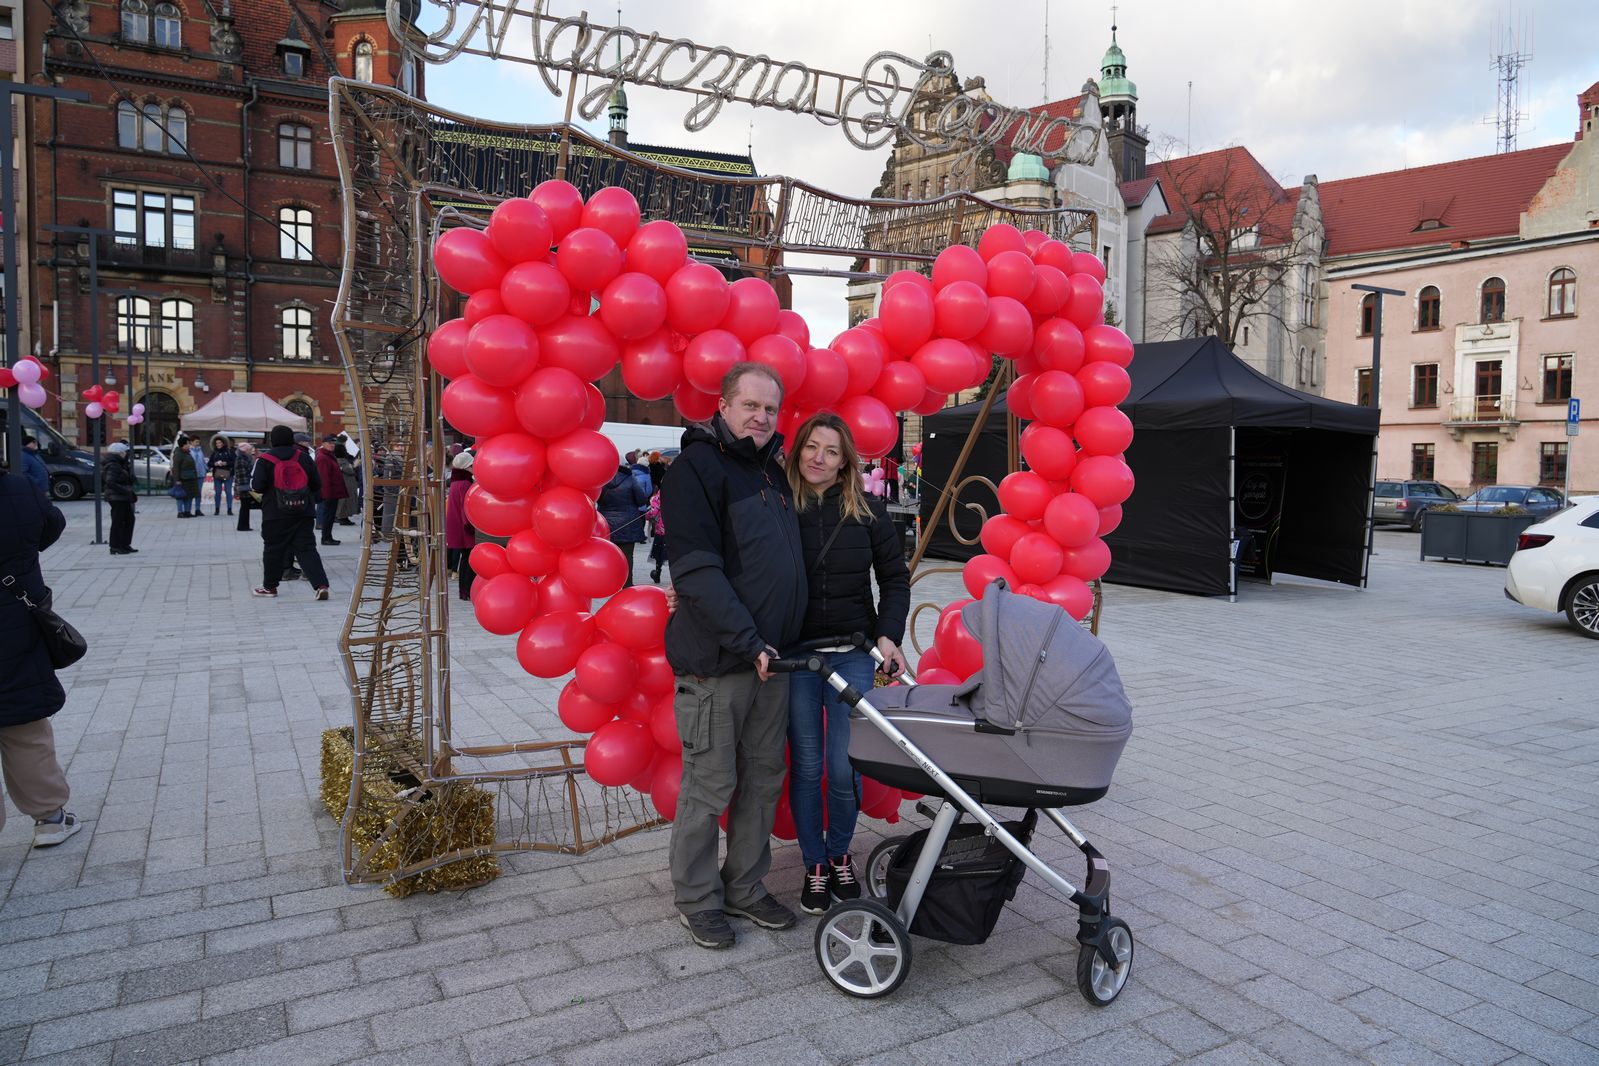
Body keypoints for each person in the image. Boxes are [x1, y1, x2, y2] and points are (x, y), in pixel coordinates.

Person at [662, 362, 807, 950]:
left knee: (763, 782)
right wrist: (751, 644)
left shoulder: (772, 474)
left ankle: (745, 886)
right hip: (721, 663)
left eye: (770, 410)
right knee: (710, 784)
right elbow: (696, 572)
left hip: (774, 664)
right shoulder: (695, 471)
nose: (761, 418)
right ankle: (697, 899)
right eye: (750, 406)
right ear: (723, 406)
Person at [784, 413, 911, 915]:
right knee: (807, 764)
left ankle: (840, 855)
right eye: (812, 447)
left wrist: (889, 635)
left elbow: (895, 581)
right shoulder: (780, 507)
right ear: (798, 452)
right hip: (796, 656)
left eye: (831, 451)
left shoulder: (870, 512)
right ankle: (814, 864)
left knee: (842, 767)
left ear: (846, 461)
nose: (819, 457)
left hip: (854, 655)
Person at [0, 461, 82, 848]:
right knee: (25, 728)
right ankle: (49, 818)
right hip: (14, 622)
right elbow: (52, 523)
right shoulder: (18, 487)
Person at [251, 424, 330, 600]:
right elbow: (317, 483)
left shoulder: (264, 459)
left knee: (273, 549)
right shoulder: (303, 457)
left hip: (275, 512)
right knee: (307, 548)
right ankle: (321, 584)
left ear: (272, 440)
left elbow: (257, 485)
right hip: (303, 510)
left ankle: (270, 587)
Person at [598, 450, 650, 588]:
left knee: (608, 554)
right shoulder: (630, 479)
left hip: (606, 523)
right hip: (628, 522)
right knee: (627, 556)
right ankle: (627, 584)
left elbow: (596, 499)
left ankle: (609, 582)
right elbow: (641, 499)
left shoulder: (601, 480)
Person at [445, 451, 475, 600]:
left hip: (457, 526)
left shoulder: (456, 482)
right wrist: (469, 525)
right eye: (471, 466)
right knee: (470, 560)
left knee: (465, 559)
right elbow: (466, 507)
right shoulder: (464, 483)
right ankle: (467, 590)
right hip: (464, 528)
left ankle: (464, 591)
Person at [103, 442, 139, 555]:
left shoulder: (121, 464)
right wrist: (125, 490)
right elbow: (110, 481)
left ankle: (124, 544)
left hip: (123, 497)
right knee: (118, 521)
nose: (126, 454)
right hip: (116, 497)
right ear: (120, 453)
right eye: (125, 452)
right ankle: (115, 546)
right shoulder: (113, 465)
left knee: (129, 520)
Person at [314, 435, 348, 546]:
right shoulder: (323, 457)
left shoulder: (328, 455)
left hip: (332, 492)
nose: (332, 445)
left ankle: (328, 536)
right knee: (328, 516)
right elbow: (323, 478)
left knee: (330, 516)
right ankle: (326, 538)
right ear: (323, 443)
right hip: (329, 493)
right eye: (329, 443)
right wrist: (326, 494)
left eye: (333, 443)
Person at [170, 434, 202, 517]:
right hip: (182, 478)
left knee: (189, 495)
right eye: (187, 444)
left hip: (190, 478)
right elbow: (176, 467)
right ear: (183, 445)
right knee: (180, 495)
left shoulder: (187, 453)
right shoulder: (178, 454)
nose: (189, 445)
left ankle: (187, 511)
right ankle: (180, 512)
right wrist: (177, 480)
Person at [208, 435, 237, 515]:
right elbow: (209, 463)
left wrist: (226, 463)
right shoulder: (214, 452)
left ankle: (229, 509)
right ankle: (217, 509)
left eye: (219, 443)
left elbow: (234, 462)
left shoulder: (229, 451)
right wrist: (215, 463)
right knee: (218, 492)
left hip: (228, 474)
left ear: (223, 443)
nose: (218, 444)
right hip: (217, 474)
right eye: (217, 443)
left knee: (228, 491)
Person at [234, 441, 258, 532]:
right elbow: (241, 474)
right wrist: (247, 486)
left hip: (245, 485)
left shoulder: (245, 458)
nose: (250, 451)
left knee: (246, 506)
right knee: (244, 506)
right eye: (249, 449)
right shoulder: (241, 459)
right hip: (244, 486)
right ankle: (242, 526)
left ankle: (244, 525)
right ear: (245, 450)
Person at [646, 488, 667, 583]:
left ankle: (657, 573)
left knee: (659, 552)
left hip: (662, 529)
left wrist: (648, 515)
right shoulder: (681, 491)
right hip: (677, 528)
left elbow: (654, 511)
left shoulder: (661, 493)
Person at [335, 442, 359, 526]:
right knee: (345, 501)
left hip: (344, 482)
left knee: (343, 501)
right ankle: (343, 517)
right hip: (346, 483)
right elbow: (349, 470)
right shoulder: (342, 461)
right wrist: (354, 466)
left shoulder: (336, 460)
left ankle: (343, 516)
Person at [187, 437, 208, 515]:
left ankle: (197, 509)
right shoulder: (189, 451)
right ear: (191, 442)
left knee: (198, 493)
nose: (197, 443)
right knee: (191, 493)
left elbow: (202, 461)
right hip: (192, 475)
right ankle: (188, 509)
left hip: (201, 474)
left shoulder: (200, 450)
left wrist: (206, 469)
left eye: (198, 442)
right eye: (196, 442)